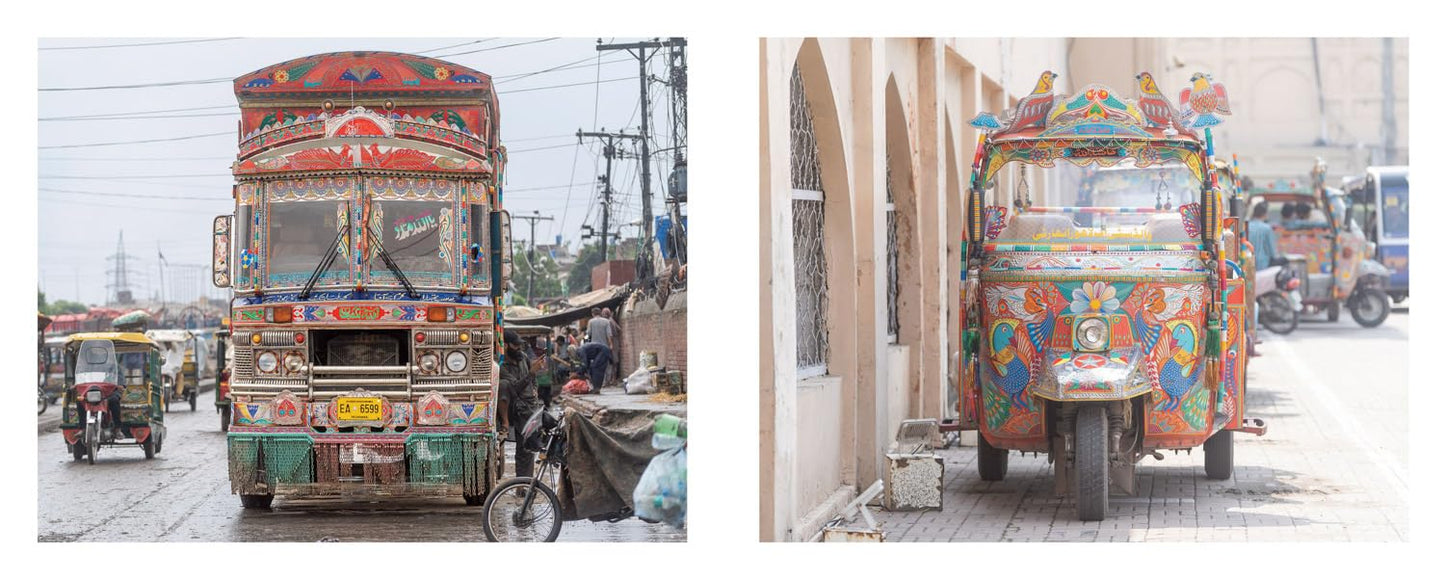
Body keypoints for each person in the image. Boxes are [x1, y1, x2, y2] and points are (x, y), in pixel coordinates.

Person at [498, 330, 543, 478]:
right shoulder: (501, 365)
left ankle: (524, 484)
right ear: (505, 345)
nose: (518, 348)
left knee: (527, 448)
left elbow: (533, 379)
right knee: (504, 384)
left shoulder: (523, 357)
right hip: (513, 407)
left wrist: (535, 389)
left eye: (519, 345)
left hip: (529, 405)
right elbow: (516, 386)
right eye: (515, 345)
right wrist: (531, 373)